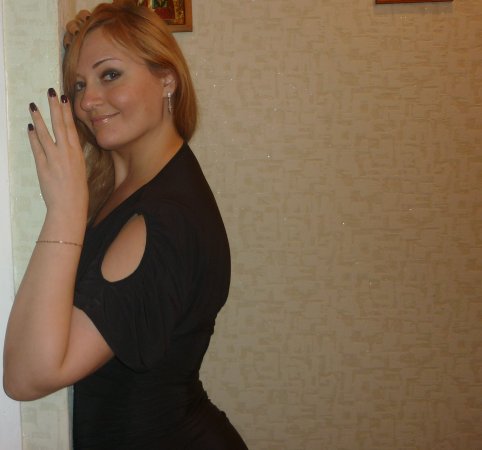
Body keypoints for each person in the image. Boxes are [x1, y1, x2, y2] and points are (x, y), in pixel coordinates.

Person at [3, 1, 248, 449]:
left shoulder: (163, 220)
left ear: (166, 78)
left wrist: (64, 210)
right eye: (79, 84)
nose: (87, 101)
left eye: (110, 74)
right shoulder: (131, 188)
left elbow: (27, 376)